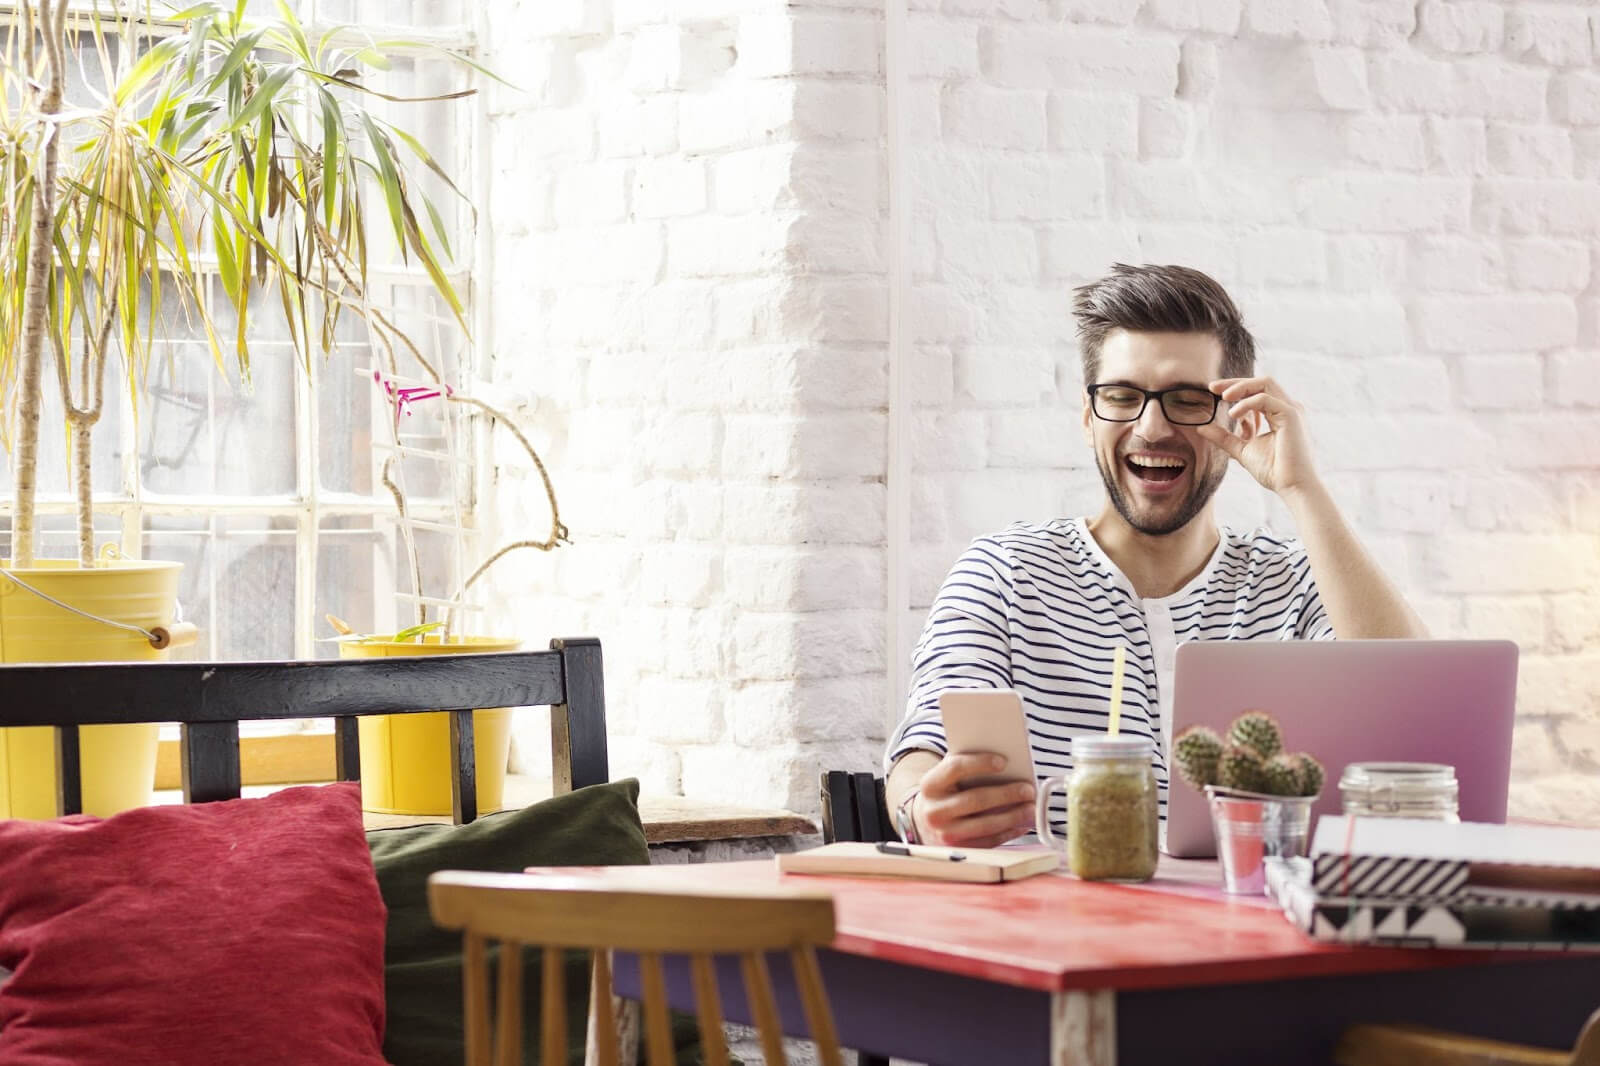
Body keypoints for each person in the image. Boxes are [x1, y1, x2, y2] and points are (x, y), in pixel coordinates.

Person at [884, 264, 1427, 848]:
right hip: (1054, 927)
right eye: (1122, 397)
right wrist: (921, 807)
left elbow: (1418, 709)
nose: (1152, 427)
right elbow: (923, 746)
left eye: (1188, 400)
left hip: (1253, 926)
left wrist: (1302, 489)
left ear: (1235, 418)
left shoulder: (1295, 580)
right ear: (1089, 418)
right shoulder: (1004, 573)